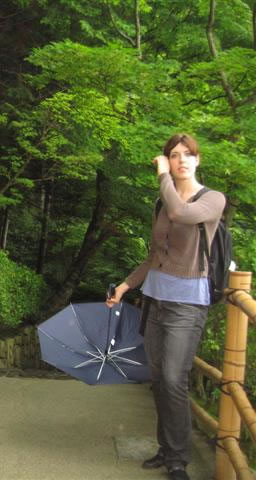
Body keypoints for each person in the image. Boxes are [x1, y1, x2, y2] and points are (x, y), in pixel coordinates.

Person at [106, 134, 225, 480]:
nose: (181, 160)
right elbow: (155, 256)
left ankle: (178, 459)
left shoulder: (212, 199)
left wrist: (162, 177)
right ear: (168, 160)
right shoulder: (162, 203)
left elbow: (180, 213)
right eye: (174, 155)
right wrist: (126, 286)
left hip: (188, 304)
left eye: (188, 155)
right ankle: (166, 449)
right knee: (159, 379)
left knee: (174, 377)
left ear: (198, 160)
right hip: (155, 300)